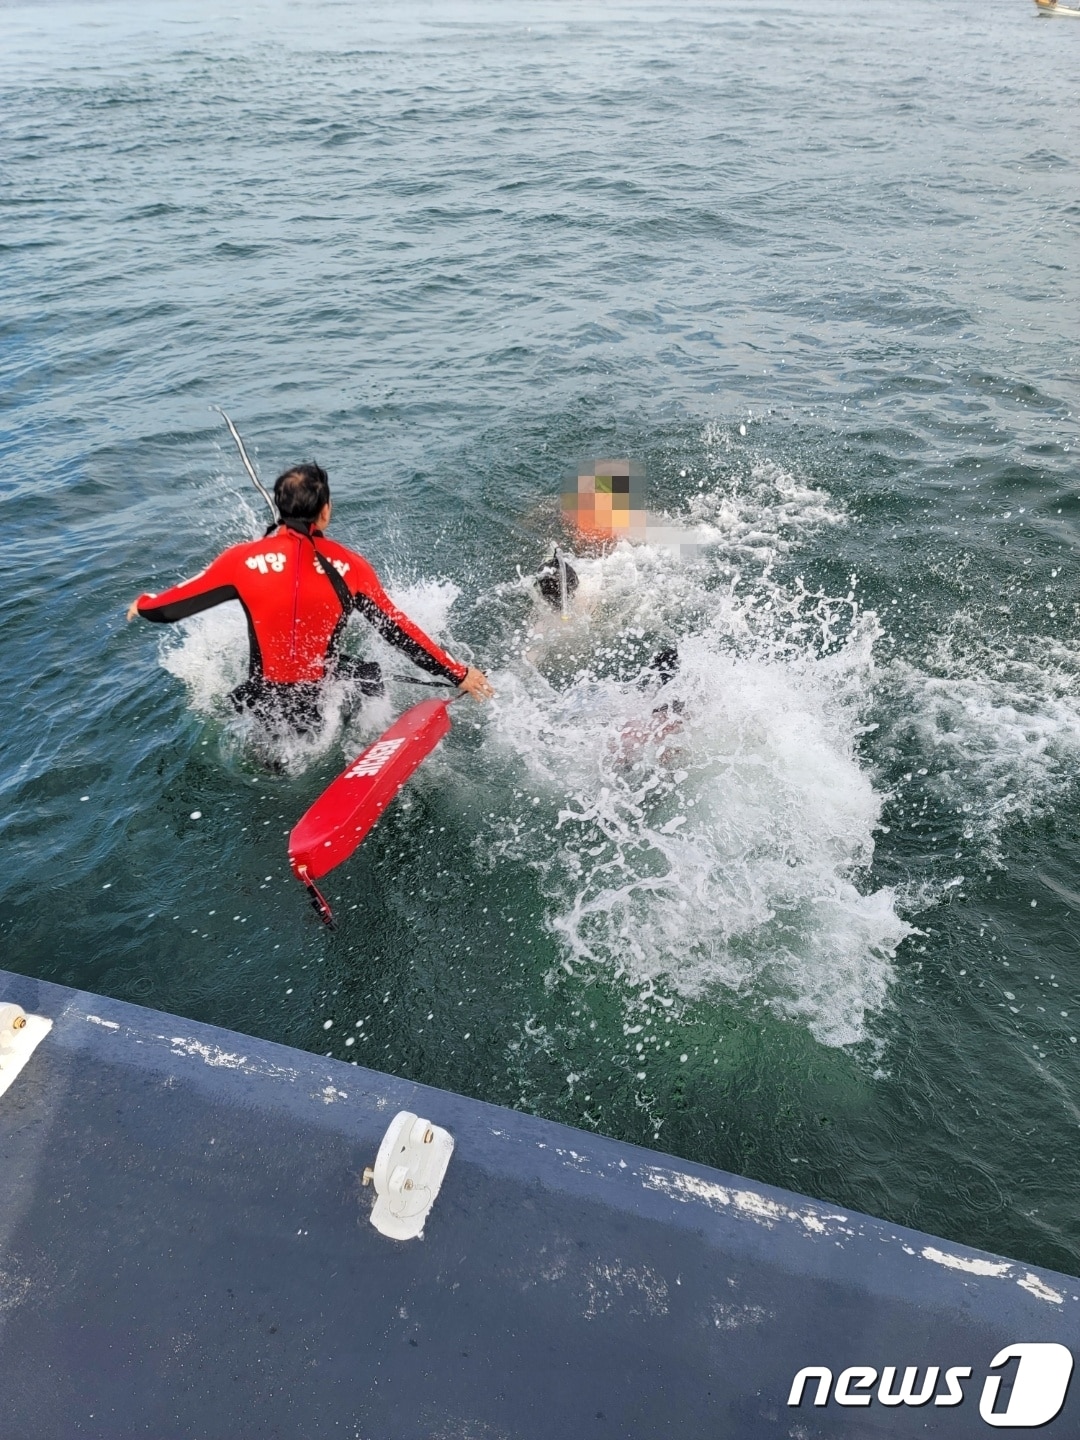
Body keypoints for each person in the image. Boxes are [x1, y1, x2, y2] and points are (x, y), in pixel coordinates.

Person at [127, 462, 494, 731]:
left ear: (281, 510)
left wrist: (142, 604)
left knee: (270, 751)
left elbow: (168, 608)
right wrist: (457, 673)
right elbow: (398, 631)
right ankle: (368, 740)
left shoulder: (239, 560)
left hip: (261, 701)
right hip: (320, 700)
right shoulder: (350, 567)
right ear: (324, 511)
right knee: (368, 674)